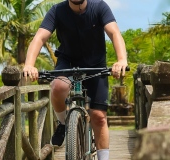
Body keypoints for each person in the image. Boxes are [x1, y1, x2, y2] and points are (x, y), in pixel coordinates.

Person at [23, 0, 128, 159]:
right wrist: (29, 65)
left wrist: (121, 60)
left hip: (95, 65)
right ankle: (64, 123)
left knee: (99, 117)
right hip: (68, 62)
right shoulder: (57, 10)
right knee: (58, 87)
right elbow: (39, 38)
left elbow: (114, 33)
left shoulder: (99, 7)